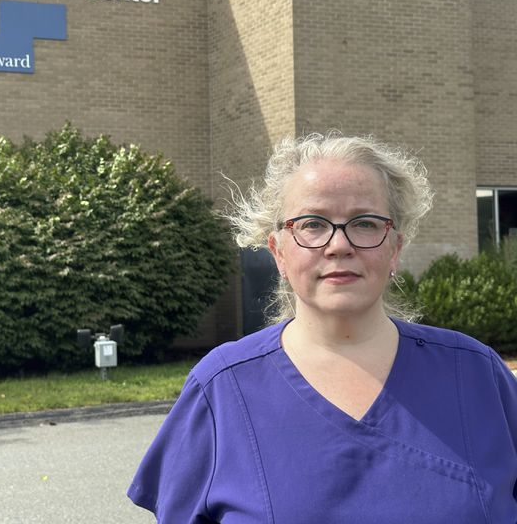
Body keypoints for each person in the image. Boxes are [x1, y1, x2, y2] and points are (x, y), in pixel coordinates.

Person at [127, 133, 517, 523]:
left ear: (394, 247)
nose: (339, 246)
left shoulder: (477, 374)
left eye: (364, 223)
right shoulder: (222, 389)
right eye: (313, 224)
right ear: (278, 251)